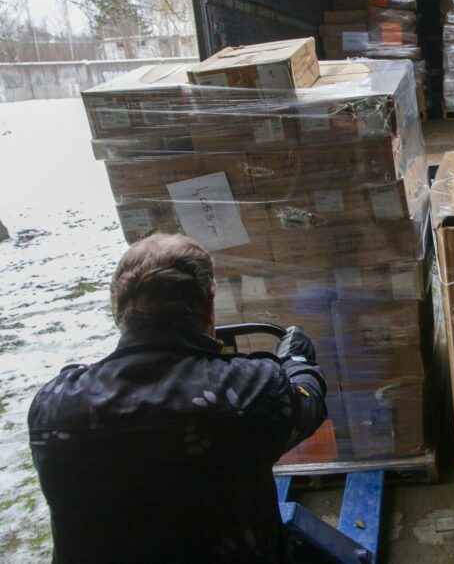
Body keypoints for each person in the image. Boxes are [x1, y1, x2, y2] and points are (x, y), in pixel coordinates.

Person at [28, 233, 328, 563]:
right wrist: (297, 362)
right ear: (209, 305)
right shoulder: (248, 390)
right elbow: (309, 405)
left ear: (118, 309)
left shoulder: (52, 405)